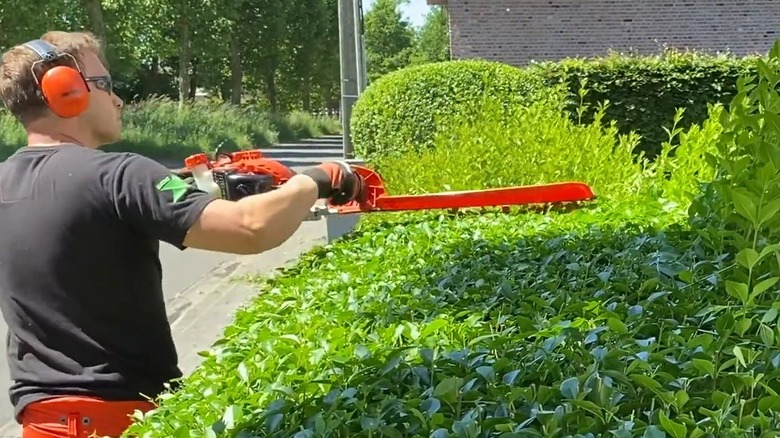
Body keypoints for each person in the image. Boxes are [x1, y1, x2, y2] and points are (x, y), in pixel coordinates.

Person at [0, 30, 362, 437]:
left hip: (40, 424)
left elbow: (93, 210)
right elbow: (249, 228)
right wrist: (319, 178)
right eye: (105, 85)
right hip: (121, 422)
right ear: (65, 91)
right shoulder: (123, 173)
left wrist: (181, 186)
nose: (118, 100)